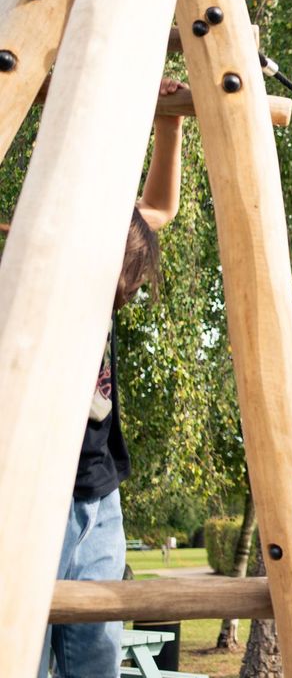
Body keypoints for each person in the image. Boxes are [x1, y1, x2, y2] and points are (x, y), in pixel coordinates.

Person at [37, 77, 187, 678]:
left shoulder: (110, 255)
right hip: (34, 496)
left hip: (98, 490)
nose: (116, 298)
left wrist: (169, 122)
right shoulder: (35, 275)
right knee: (23, 649)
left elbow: (160, 211)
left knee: (95, 651)